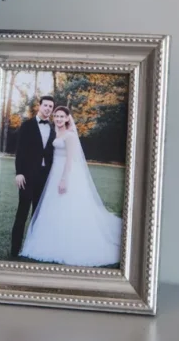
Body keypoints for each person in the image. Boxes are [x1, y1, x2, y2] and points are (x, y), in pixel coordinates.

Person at [21, 106, 123, 267]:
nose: (59, 119)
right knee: (52, 207)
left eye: (62, 116)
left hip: (65, 174)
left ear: (68, 118)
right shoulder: (56, 133)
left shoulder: (70, 136)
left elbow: (70, 160)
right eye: (56, 116)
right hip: (54, 173)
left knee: (67, 206)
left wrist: (64, 179)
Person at [10, 96, 55, 258]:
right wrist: (19, 173)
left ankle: (32, 250)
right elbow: (20, 151)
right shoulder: (27, 125)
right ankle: (14, 250)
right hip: (27, 176)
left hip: (44, 178)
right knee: (22, 213)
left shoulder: (53, 128)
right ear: (39, 106)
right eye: (46, 105)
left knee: (37, 215)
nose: (48, 108)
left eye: (51, 106)